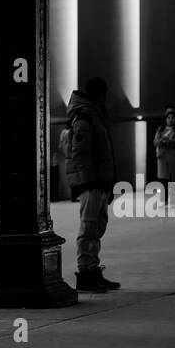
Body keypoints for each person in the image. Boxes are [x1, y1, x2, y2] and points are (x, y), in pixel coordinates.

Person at [64, 77, 119, 293]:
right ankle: (85, 274)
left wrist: (107, 184)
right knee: (88, 227)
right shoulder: (85, 118)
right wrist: (90, 183)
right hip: (91, 183)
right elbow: (80, 154)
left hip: (99, 182)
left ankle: (93, 270)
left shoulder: (95, 116)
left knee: (97, 226)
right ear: (100, 94)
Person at [154, 108, 175, 194]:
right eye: (168, 117)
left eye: (172, 118)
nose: (170, 120)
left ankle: (174, 200)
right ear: (165, 119)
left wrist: (172, 142)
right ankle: (164, 199)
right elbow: (155, 142)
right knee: (164, 179)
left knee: (174, 179)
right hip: (163, 158)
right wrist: (162, 141)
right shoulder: (160, 130)